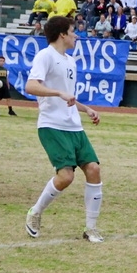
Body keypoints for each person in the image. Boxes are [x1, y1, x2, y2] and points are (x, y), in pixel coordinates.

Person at [24, 17, 103, 243]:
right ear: (62, 35)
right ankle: (35, 212)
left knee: (94, 169)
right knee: (66, 176)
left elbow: (68, 96)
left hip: (74, 125)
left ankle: (91, 229)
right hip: (52, 125)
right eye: (72, 31)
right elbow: (31, 85)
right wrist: (58, 93)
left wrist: (86, 109)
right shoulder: (45, 55)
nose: (76, 35)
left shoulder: (70, 61)